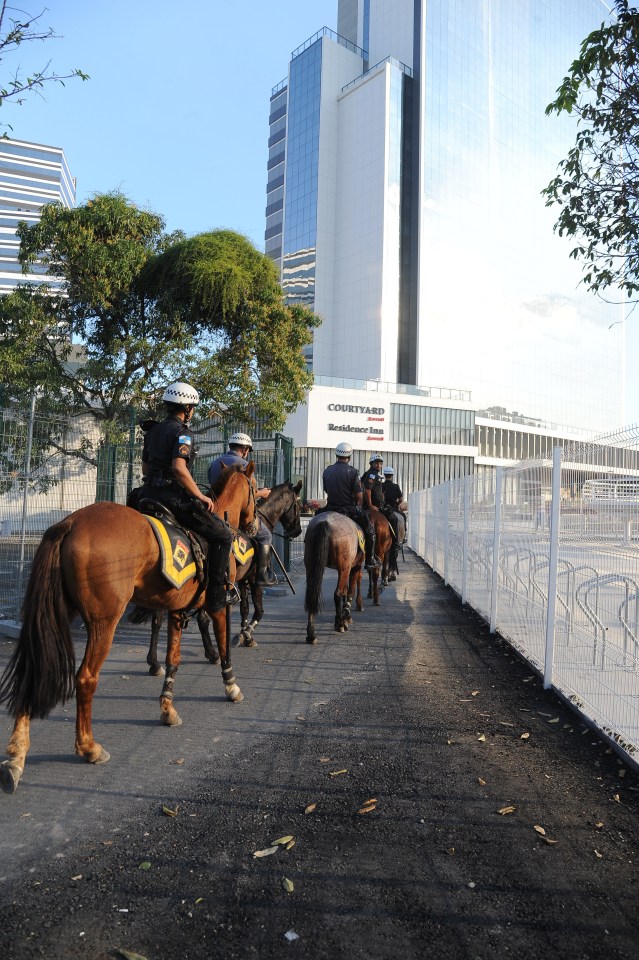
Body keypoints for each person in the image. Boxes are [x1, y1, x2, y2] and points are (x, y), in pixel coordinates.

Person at [137, 381, 237, 611]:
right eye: (192, 407)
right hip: (171, 496)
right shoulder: (183, 433)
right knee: (222, 534)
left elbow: (144, 469)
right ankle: (216, 597)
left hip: (145, 494)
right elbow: (179, 469)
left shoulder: (151, 431)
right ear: (187, 408)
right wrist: (200, 496)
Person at [208, 432, 277, 587]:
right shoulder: (245, 466)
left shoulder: (215, 462)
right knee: (265, 535)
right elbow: (248, 497)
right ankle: (261, 575)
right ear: (245, 449)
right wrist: (262, 493)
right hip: (235, 516)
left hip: (213, 513)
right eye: (247, 451)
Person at [321, 441, 381, 569]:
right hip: (348, 509)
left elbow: (326, 489)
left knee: (315, 522)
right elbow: (359, 495)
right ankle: (370, 560)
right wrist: (358, 506)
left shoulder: (327, 471)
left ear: (336, 455)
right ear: (349, 456)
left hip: (330, 508)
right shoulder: (353, 472)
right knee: (370, 531)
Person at [383, 465, 408, 542]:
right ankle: (403, 536)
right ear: (392, 475)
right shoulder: (396, 486)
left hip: (383, 509)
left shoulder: (381, 485)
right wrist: (397, 504)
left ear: (384, 475)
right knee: (403, 515)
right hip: (393, 508)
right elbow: (401, 499)